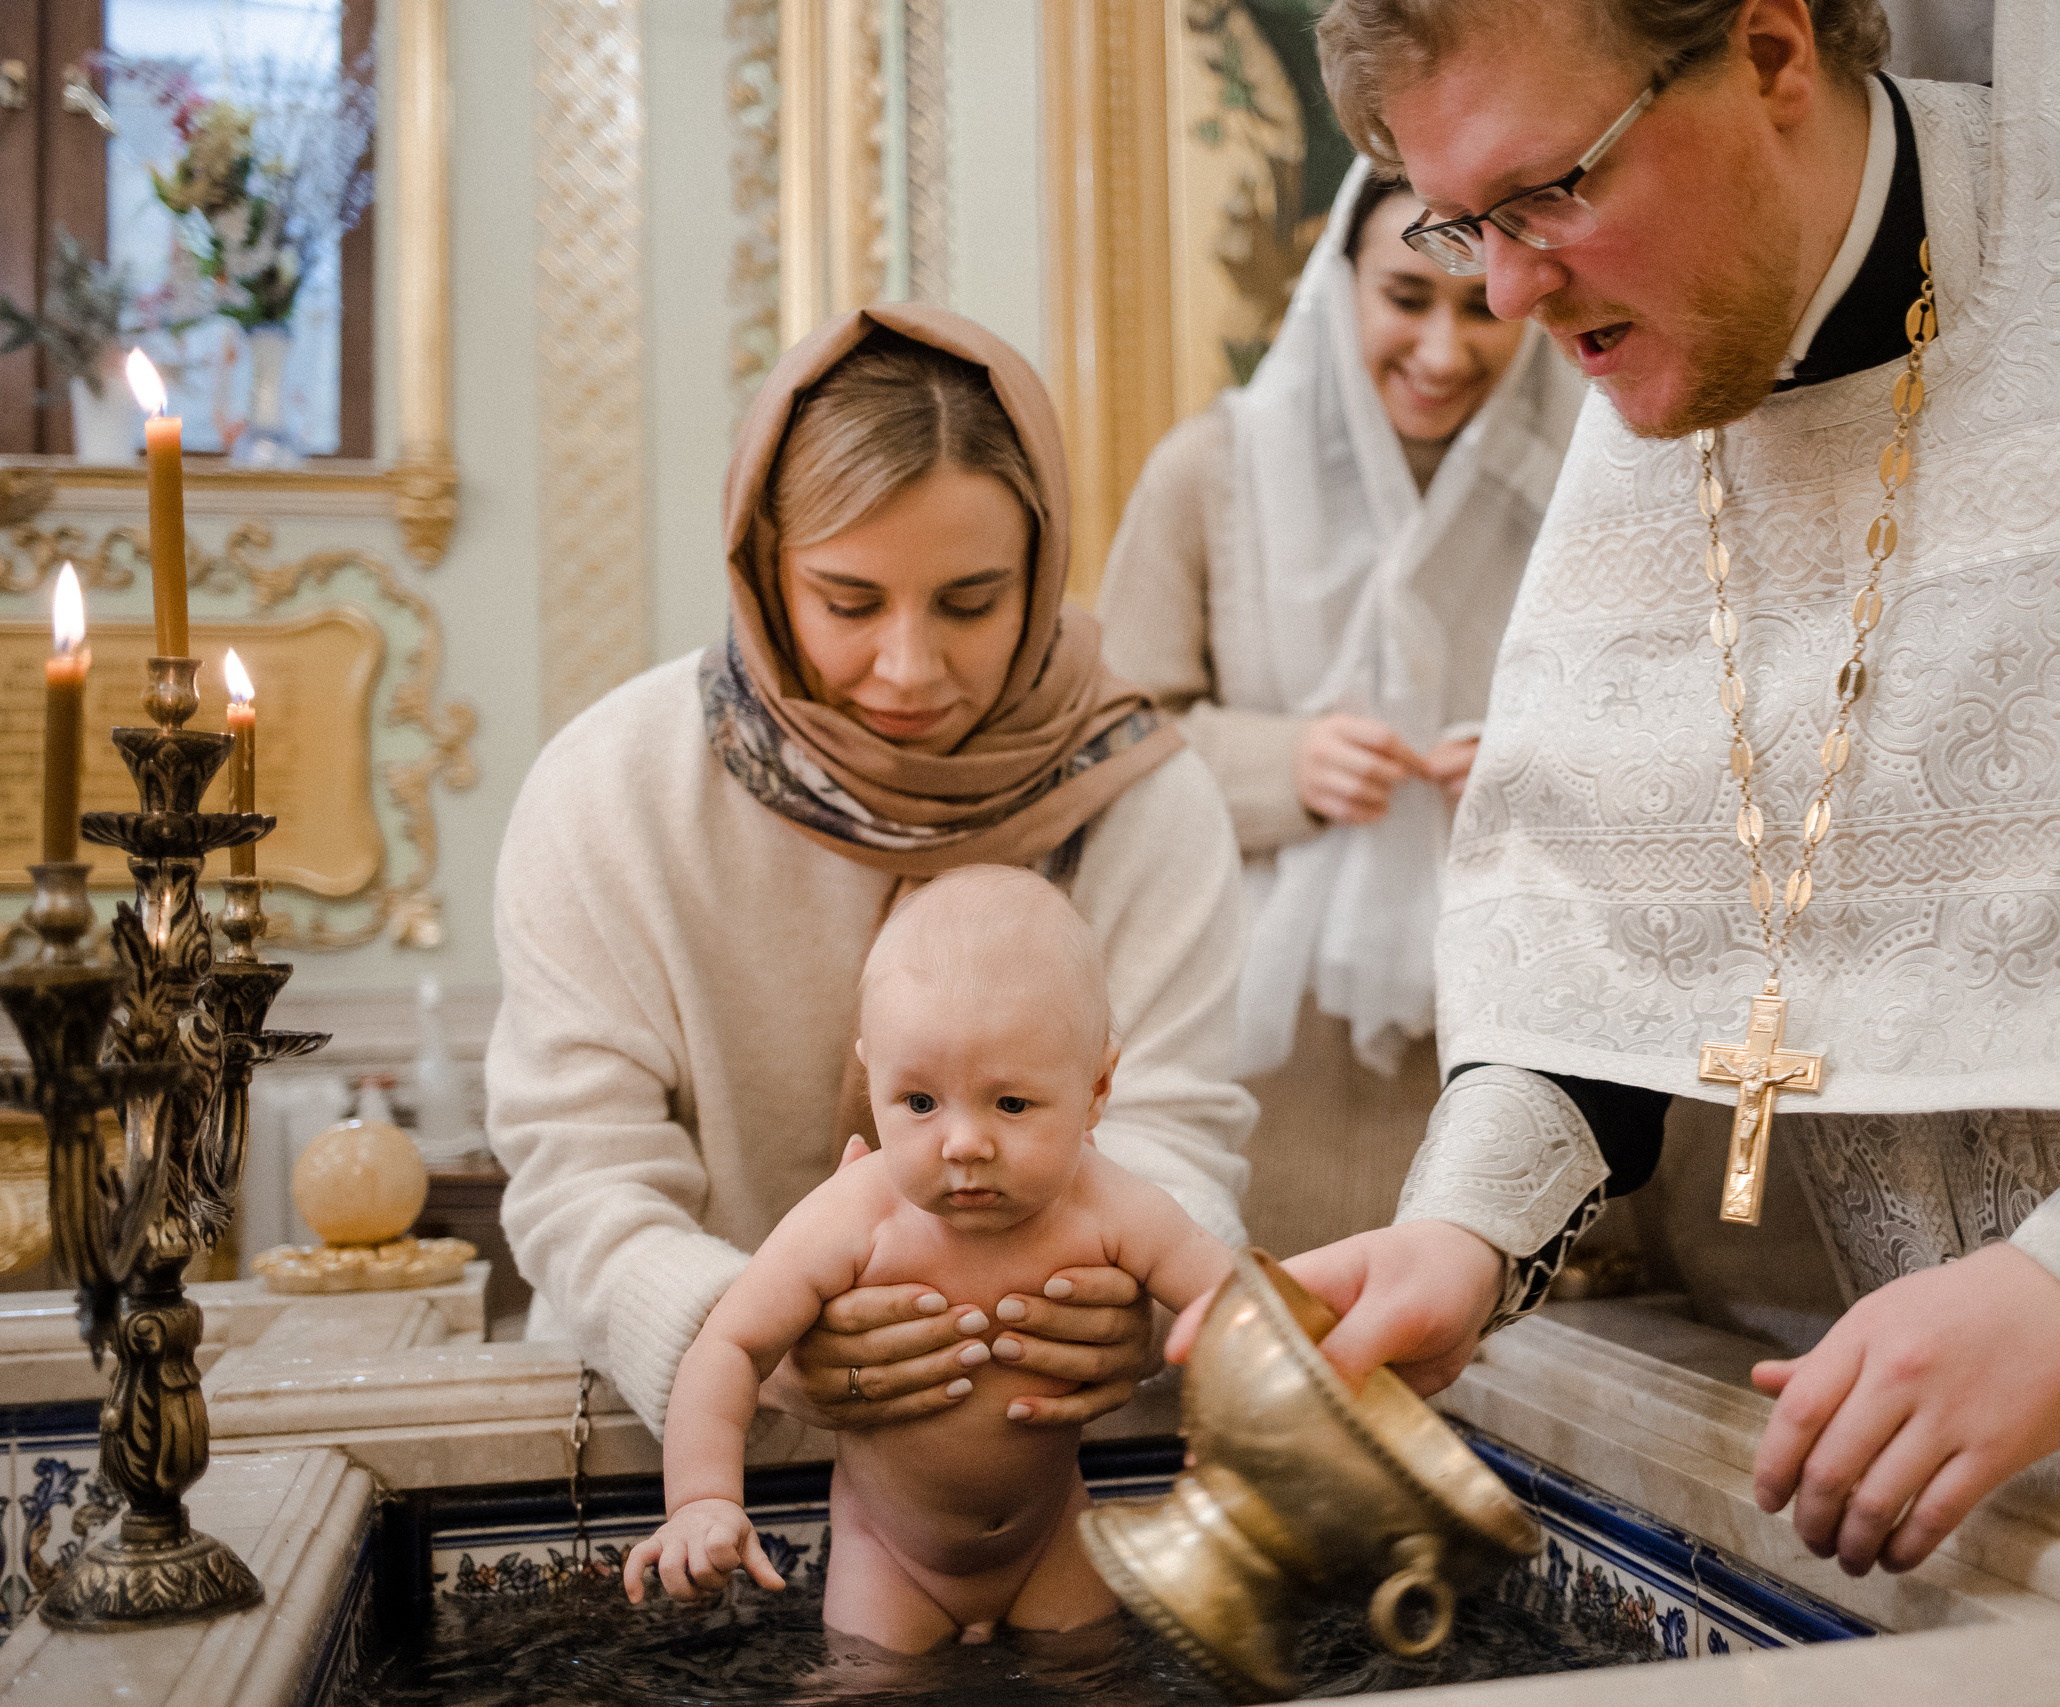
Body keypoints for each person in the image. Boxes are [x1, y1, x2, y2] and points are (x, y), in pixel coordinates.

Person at [1172, 0, 2060, 1581]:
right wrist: (1461, 1235)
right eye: (1462, 220)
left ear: (1770, 53)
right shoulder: (1666, 360)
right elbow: (1602, 926)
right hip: (1966, 1482)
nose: (1504, 291)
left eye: (1552, 189)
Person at [491, 305, 1254, 1447]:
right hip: (680, 1454)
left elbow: (1169, 1131)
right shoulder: (610, 793)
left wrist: (1126, 1308)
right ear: (765, 569)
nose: (909, 667)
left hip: (1031, 1452)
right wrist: (740, 1329)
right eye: (849, 603)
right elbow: (580, 1177)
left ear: (1040, 573)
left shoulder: (1142, 800)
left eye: (971, 602)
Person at [1096, 161, 1581, 1255]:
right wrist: (1286, 764)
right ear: (1337, 283)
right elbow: (1103, 747)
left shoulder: (1585, 477)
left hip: (1505, 1034)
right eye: (1406, 299)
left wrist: (1526, 761)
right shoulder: (1210, 474)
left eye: (1477, 306)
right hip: (1256, 1046)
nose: (1442, 351)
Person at [625, 868, 1232, 1650]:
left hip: (1053, 1540)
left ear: (1097, 1087)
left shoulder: (1110, 1207)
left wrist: (1245, 1417)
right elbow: (730, 1343)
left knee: (1094, 1675)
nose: (965, 1142)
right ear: (871, 1074)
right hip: (890, 1557)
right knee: (870, 1681)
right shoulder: (854, 1216)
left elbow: (1233, 1301)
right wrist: (704, 1498)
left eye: (1011, 1102)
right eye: (918, 1102)